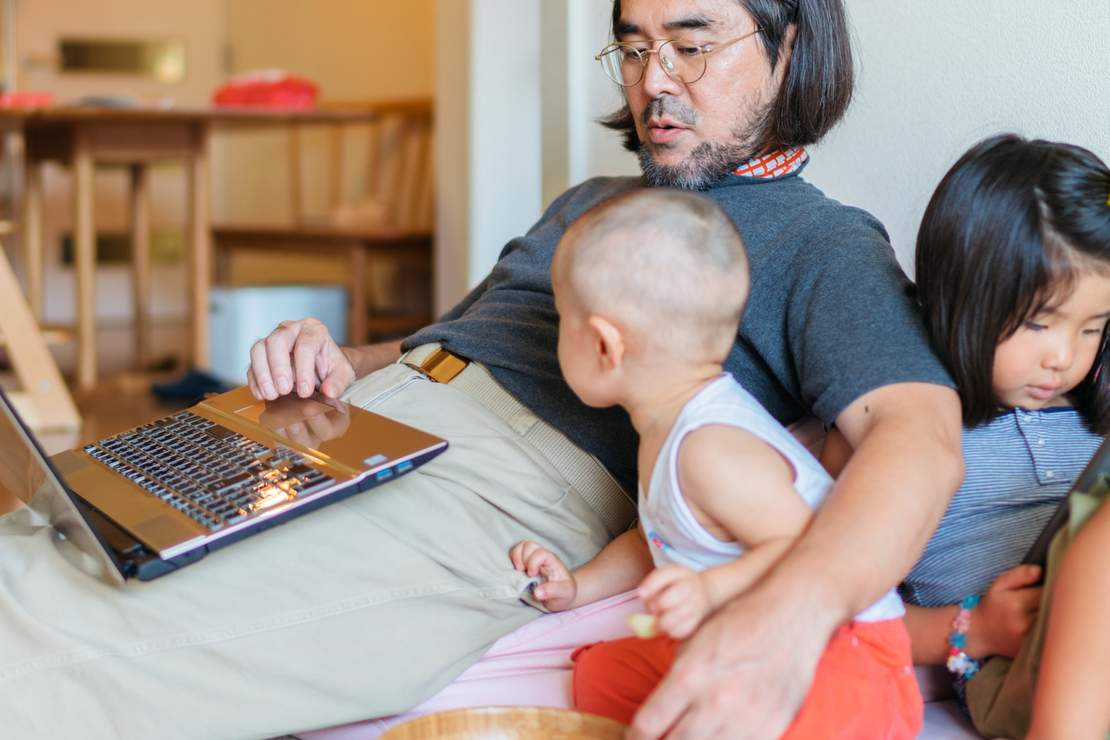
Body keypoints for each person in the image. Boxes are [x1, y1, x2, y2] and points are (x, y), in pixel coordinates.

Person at [0, 1, 961, 738]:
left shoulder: (822, 242)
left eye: (692, 43)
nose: (655, 80)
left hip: (501, 487)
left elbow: (919, 441)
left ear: (790, 47)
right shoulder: (591, 200)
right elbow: (451, 341)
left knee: (77, 634)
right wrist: (341, 357)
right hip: (361, 415)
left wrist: (795, 612)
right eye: (633, 47)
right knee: (54, 530)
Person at [508, 187, 923, 737]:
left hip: (840, 651)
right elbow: (652, 541)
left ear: (605, 346)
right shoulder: (662, 428)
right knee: (600, 676)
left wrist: (708, 591)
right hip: (735, 632)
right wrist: (577, 587)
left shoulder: (711, 448)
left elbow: (803, 546)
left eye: (561, 318)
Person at [824, 134, 1110, 739]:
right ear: (964, 295)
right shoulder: (900, 427)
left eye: (1093, 329)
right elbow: (822, 608)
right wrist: (969, 629)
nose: (1063, 356)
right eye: (1039, 322)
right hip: (1022, 673)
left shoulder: (1091, 415)